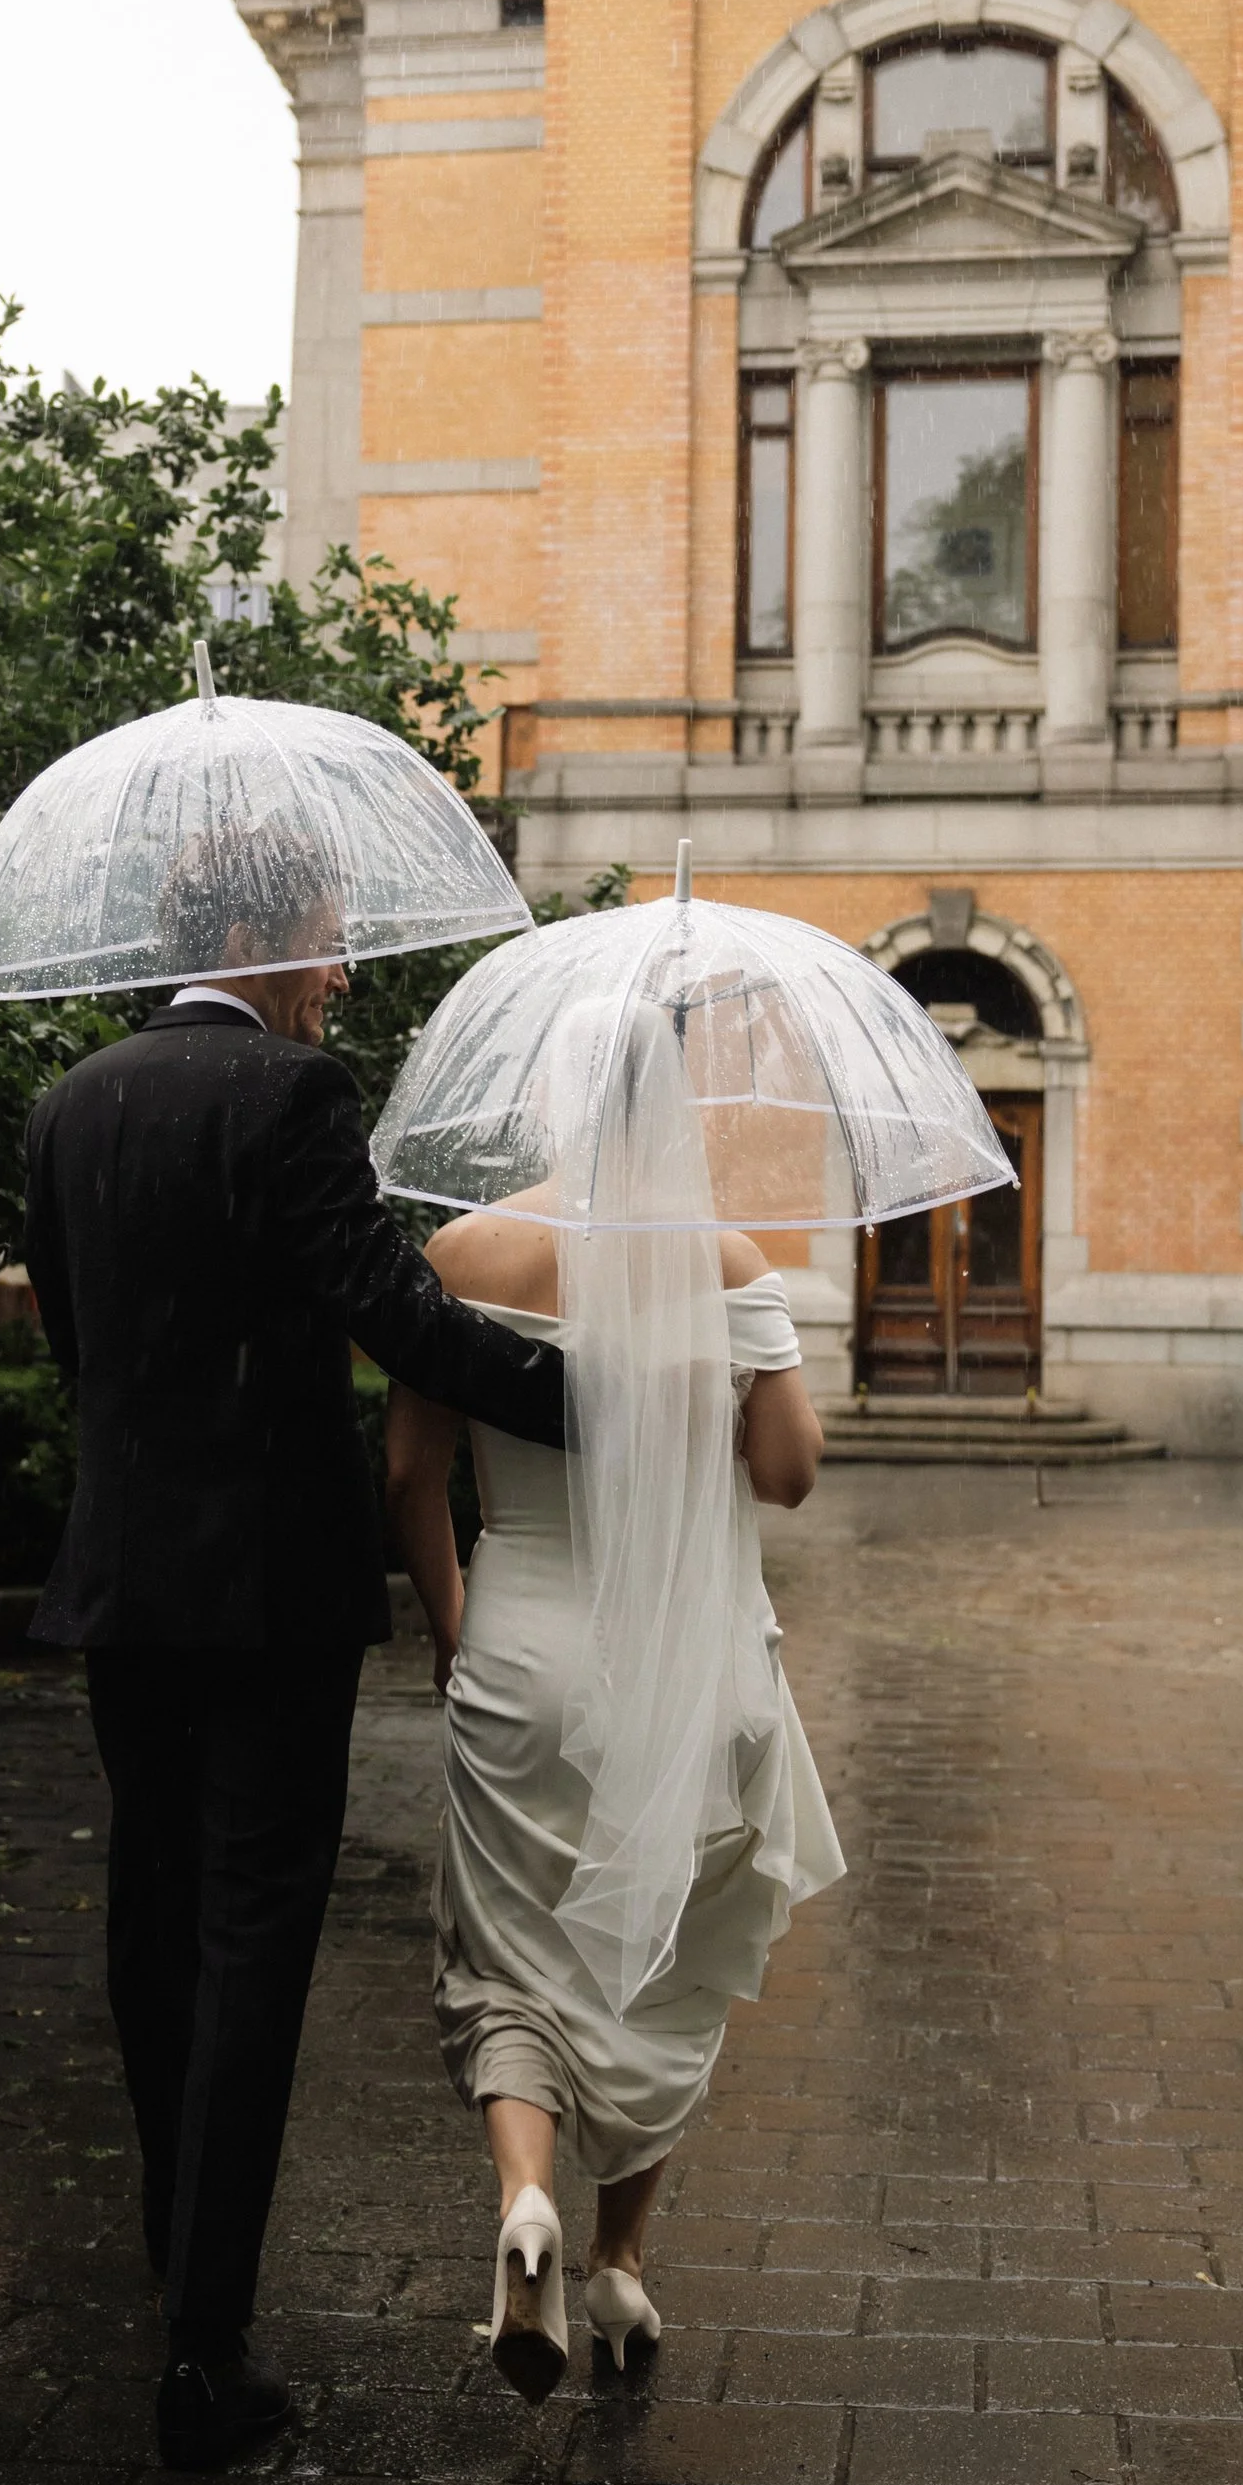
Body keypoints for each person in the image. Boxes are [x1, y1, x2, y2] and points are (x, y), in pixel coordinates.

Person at [22, 828, 570, 2468]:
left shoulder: (72, 1101)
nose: (343, 970)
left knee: (153, 1919)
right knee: (254, 1936)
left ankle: (175, 2259)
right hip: (271, 1591)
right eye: (331, 938)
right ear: (261, 930)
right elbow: (395, 1313)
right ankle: (206, 2348)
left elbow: (77, 1342)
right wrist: (600, 1399)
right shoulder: (293, 1101)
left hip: (124, 1580)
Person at [384, 996, 842, 2400]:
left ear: (559, 1098)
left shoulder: (464, 1253)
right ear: (675, 1104)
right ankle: (621, 2263)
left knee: (512, 1954)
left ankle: (522, 2199)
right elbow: (787, 1474)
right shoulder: (722, 1260)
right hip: (689, 1660)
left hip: (525, 1637)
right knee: (662, 1952)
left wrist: (456, 1631)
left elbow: (404, 1477)